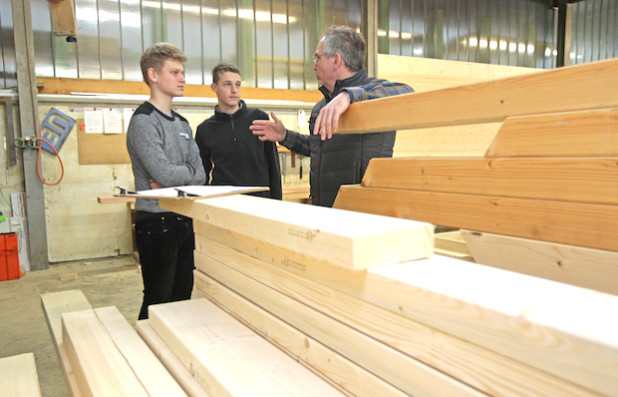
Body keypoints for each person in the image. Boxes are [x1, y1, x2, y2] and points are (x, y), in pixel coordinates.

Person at [251, 25, 413, 207]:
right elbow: (317, 148)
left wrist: (349, 95)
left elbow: (407, 92)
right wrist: (285, 136)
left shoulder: (373, 92)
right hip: (326, 208)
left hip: (364, 210)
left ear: (336, 60)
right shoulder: (322, 106)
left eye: (317, 58)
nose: (314, 66)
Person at [126, 42, 206, 320]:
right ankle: (143, 355)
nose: (182, 78)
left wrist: (177, 176)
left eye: (182, 72)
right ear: (153, 75)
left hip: (184, 217)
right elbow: (163, 174)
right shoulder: (144, 121)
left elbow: (201, 175)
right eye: (175, 72)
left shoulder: (182, 123)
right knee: (158, 298)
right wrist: (183, 175)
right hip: (156, 222)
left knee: (183, 295)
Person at [195, 63, 282, 199]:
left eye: (238, 84)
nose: (234, 90)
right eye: (227, 84)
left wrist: (278, 203)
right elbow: (202, 175)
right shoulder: (205, 130)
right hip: (223, 204)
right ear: (214, 87)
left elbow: (273, 167)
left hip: (260, 203)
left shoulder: (260, 119)